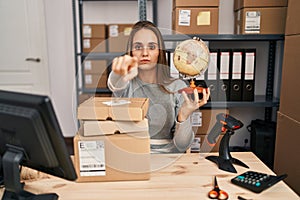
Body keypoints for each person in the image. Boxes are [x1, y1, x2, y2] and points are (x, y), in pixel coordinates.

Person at [107, 20, 210, 153]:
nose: (145, 53)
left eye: (151, 47)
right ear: (131, 52)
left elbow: (182, 146)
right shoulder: (126, 84)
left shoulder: (177, 87)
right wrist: (118, 72)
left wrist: (183, 116)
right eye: (138, 47)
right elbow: (114, 84)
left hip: (167, 161)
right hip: (132, 157)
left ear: (159, 51)